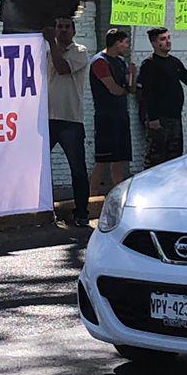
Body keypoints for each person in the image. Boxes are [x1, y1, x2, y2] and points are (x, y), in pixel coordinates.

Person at [44, 14, 90, 226]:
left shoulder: (80, 52)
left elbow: (62, 68)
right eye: (58, 26)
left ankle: (81, 212)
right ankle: (41, 208)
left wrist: (51, 43)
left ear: (73, 31)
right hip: (47, 118)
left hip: (70, 119)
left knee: (77, 169)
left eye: (66, 27)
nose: (62, 30)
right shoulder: (44, 51)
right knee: (39, 166)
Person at [137, 27, 187, 168]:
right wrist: (152, 118)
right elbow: (146, 93)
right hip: (159, 119)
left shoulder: (175, 62)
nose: (168, 41)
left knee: (174, 157)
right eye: (163, 39)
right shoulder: (149, 64)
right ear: (154, 43)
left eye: (168, 38)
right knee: (156, 158)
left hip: (175, 117)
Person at [89, 29, 134, 196]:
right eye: (125, 43)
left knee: (119, 160)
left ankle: (119, 195)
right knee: (102, 159)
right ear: (117, 43)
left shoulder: (121, 62)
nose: (127, 46)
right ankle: (92, 195)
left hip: (121, 115)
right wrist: (124, 90)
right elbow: (114, 89)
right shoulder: (99, 62)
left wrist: (132, 76)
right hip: (106, 117)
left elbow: (130, 88)